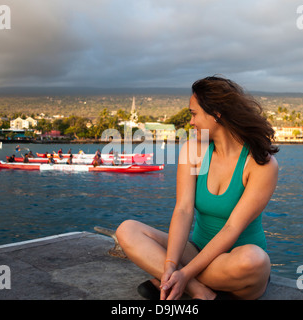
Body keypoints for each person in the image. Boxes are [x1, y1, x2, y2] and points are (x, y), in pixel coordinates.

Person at [116, 76, 279, 300]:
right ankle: (199, 290)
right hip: (196, 252)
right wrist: (173, 264)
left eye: (194, 114)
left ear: (217, 114)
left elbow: (232, 228)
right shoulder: (194, 150)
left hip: (236, 263)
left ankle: (171, 282)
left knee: (255, 260)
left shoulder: (260, 163)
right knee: (127, 230)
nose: (191, 122)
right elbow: (183, 210)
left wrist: (185, 273)